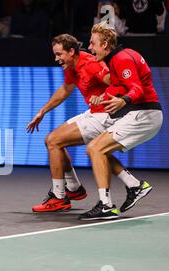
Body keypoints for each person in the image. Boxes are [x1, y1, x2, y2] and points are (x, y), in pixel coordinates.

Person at [27, 34, 145, 214]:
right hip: (94, 112)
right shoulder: (71, 65)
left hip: (105, 115)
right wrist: (43, 111)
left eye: (59, 54)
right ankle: (77, 188)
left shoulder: (91, 64)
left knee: (54, 141)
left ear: (72, 51)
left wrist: (109, 98)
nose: (56, 59)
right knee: (54, 141)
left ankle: (60, 197)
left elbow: (116, 81)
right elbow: (66, 89)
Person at [81, 22, 163, 220]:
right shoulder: (120, 56)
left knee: (95, 149)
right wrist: (103, 97)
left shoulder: (121, 58)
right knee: (99, 150)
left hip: (145, 114)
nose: (90, 48)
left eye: (93, 44)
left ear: (106, 44)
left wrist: (123, 100)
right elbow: (120, 86)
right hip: (143, 113)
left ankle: (106, 205)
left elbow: (136, 88)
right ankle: (135, 186)